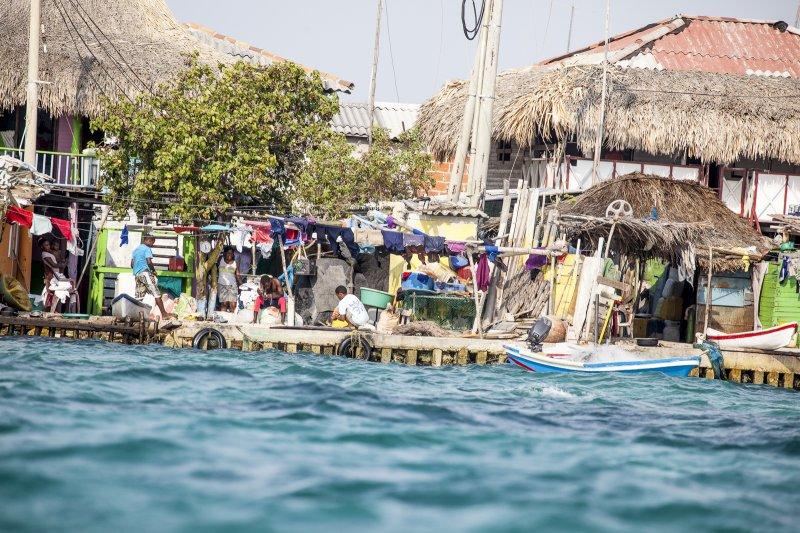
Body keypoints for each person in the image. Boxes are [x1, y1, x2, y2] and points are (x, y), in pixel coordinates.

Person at [131, 234, 175, 319]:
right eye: (152, 242)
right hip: (145, 273)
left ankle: (134, 316)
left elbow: (132, 264)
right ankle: (164, 314)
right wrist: (153, 271)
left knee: (139, 297)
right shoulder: (147, 249)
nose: (152, 244)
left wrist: (138, 269)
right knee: (156, 294)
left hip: (137, 274)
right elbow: (148, 261)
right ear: (148, 240)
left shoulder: (135, 250)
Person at [40, 237, 75, 312]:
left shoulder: (50, 253)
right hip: (52, 276)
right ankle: (52, 310)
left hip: (56, 275)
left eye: (48, 244)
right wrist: (65, 263)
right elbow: (54, 265)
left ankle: (54, 310)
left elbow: (57, 262)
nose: (48, 246)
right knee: (56, 292)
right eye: (46, 245)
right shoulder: (45, 254)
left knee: (60, 291)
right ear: (42, 247)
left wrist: (63, 262)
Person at [217, 247, 241, 313]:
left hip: (232, 285)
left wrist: (241, 285)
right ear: (224, 253)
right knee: (224, 304)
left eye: (231, 253)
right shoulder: (220, 260)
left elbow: (237, 275)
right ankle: (223, 319)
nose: (230, 254)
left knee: (233, 305)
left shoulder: (235, 263)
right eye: (228, 253)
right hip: (222, 284)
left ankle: (232, 320)